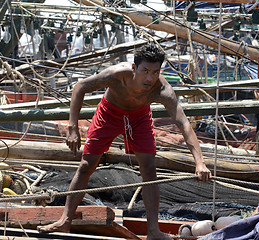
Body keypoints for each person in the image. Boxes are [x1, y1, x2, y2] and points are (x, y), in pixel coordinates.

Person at [37, 42, 212, 240]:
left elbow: (185, 125)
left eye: (155, 72)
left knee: (149, 168)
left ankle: (153, 231)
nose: (149, 78)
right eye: (145, 70)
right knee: (86, 165)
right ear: (134, 68)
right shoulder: (116, 75)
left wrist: (200, 162)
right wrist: (73, 127)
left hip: (139, 118)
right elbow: (80, 87)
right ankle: (64, 222)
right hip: (109, 113)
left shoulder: (163, 90)